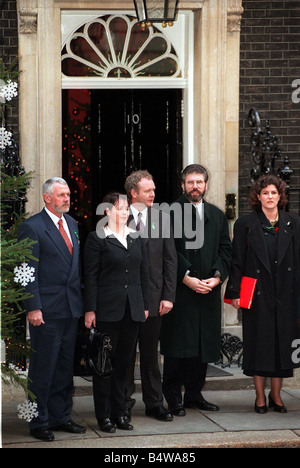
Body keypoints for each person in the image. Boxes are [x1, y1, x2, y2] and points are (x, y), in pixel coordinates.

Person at [160, 164, 232, 415]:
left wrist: (217, 276)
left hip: (208, 291)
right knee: (178, 345)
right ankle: (172, 396)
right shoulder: (168, 213)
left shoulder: (217, 215)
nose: (195, 187)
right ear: (183, 185)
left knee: (201, 346)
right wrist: (186, 276)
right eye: (190, 182)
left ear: (206, 184)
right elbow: (166, 250)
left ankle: (193, 394)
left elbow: (225, 249)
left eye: (199, 182)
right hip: (180, 291)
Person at [18, 177, 86, 442]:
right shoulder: (32, 227)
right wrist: (32, 307)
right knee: (42, 368)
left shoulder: (72, 224)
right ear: (47, 198)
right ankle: (38, 422)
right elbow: (25, 272)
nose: (67, 199)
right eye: (61, 195)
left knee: (64, 367)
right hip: (45, 310)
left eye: (68, 194)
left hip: (70, 308)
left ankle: (61, 417)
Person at [225, 174, 300, 413]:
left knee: (281, 347)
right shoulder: (245, 224)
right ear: (258, 196)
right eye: (265, 192)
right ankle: (259, 397)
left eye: (274, 193)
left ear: (281, 196)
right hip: (258, 294)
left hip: (286, 294)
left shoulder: (293, 222)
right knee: (260, 346)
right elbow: (237, 261)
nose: (270, 197)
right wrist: (234, 292)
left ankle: (276, 396)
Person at [84, 192, 149, 433]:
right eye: (119, 208)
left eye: (126, 209)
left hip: (132, 310)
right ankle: (104, 416)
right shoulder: (97, 238)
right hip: (106, 310)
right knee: (104, 365)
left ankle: (120, 412)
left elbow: (143, 273)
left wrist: (143, 304)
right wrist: (90, 309)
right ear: (107, 211)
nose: (124, 212)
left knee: (124, 365)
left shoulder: (135, 237)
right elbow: (90, 276)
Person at [124, 170, 177, 421]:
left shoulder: (161, 218)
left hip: (155, 299)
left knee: (150, 356)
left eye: (153, 189)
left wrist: (168, 296)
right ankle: (122, 402)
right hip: (126, 300)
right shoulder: (118, 217)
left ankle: (154, 403)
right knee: (123, 355)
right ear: (133, 193)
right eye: (148, 191)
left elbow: (170, 260)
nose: (153, 194)